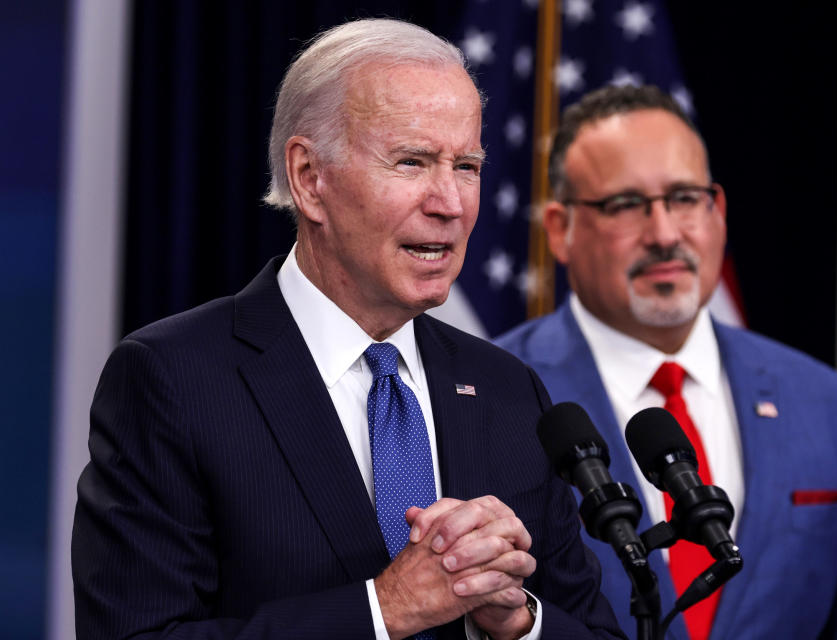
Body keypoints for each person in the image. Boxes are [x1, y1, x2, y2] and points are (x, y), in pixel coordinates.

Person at [72, 19, 624, 640]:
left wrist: (516, 620)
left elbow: (595, 630)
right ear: (309, 178)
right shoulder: (173, 378)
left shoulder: (506, 389)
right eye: (411, 162)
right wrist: (384, 611)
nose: (449, 202)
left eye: (466, 165)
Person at [496, 85, 837, 640]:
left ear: (719, 212)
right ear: (561, 230)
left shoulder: (827, 402)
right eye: (627, 205)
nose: (665, 235)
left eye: (685, 198)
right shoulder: (492, 394)